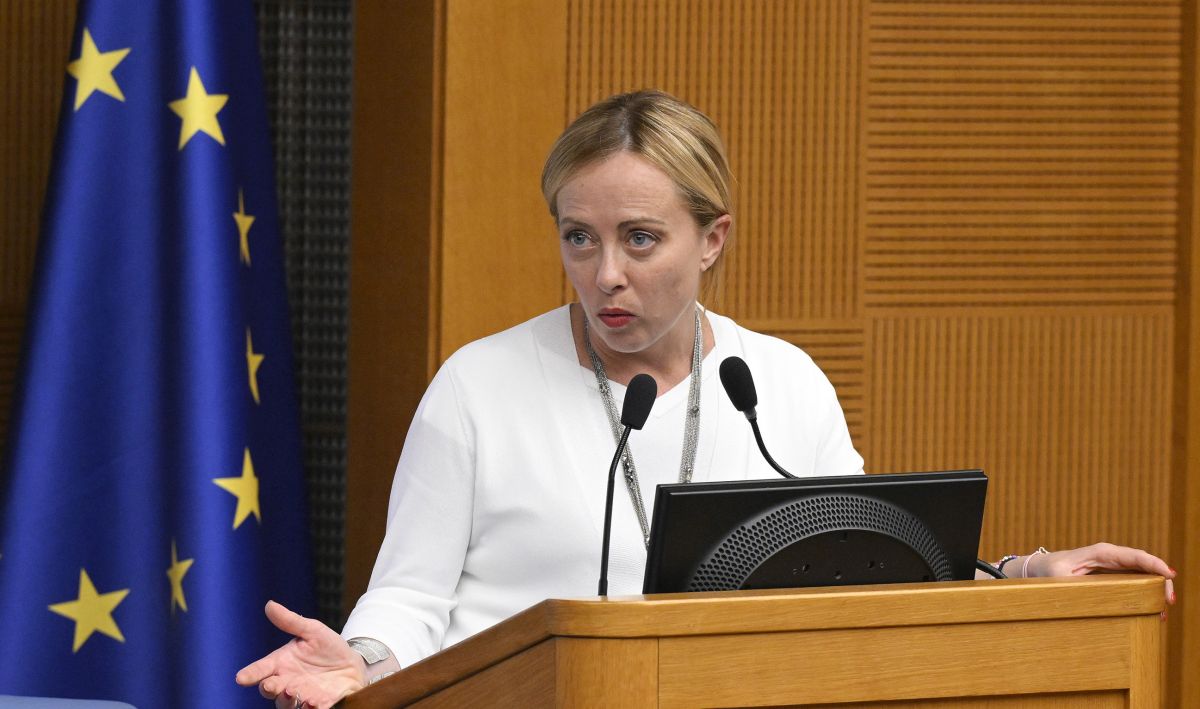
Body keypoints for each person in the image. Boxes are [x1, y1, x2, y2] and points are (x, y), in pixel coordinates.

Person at [236, 90, 1177, 709]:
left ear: (713, 238)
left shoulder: (778, 382)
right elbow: (413, 593)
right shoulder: (478, 384)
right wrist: (366, 660)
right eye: (579, 236)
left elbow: (868, 568)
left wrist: (1018, 575)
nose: (605, 273)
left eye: (640, 238)